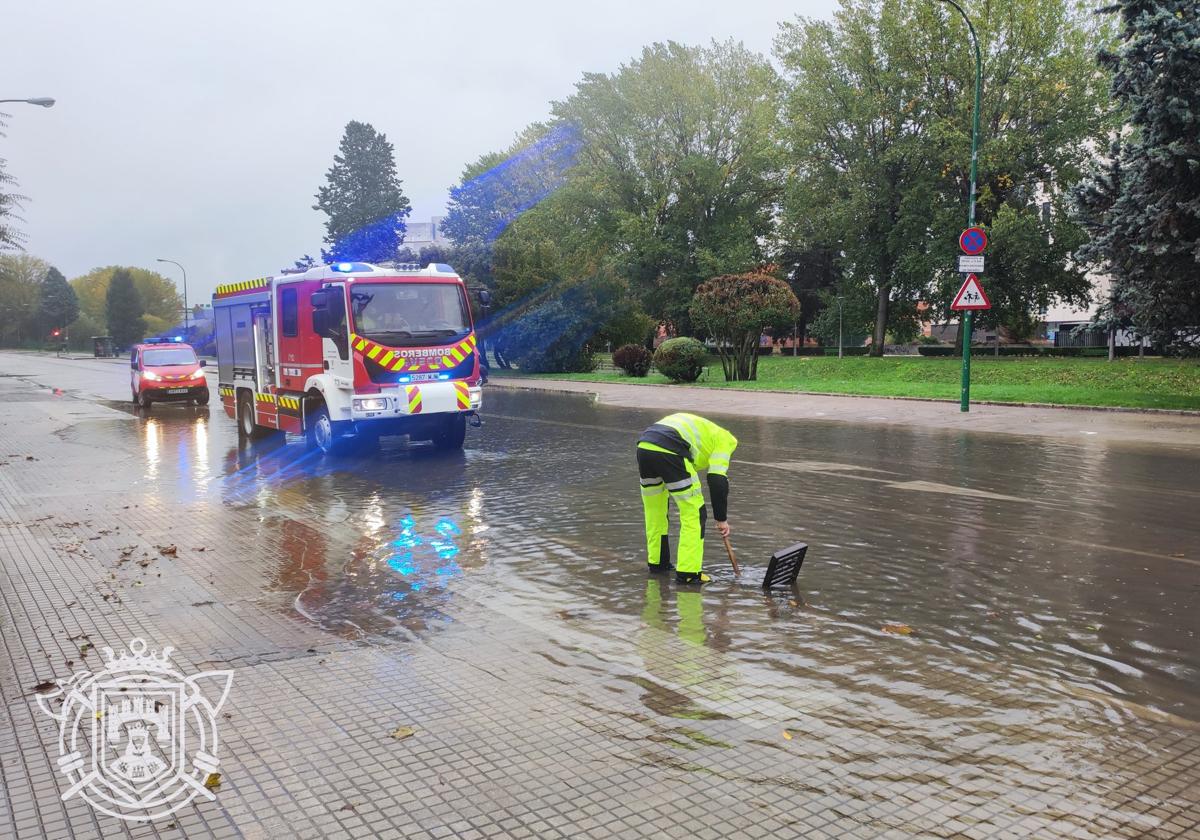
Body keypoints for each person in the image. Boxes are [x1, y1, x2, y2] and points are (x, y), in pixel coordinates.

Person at [636, 412, 737, 585]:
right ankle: (689, 573)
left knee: (655, 511)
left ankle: (658, 564)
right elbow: (717, 478)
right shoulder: (727, 441)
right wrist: (721, 519)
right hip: (670, 450)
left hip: (644, 447)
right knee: (695, 513)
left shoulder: (706, 431)